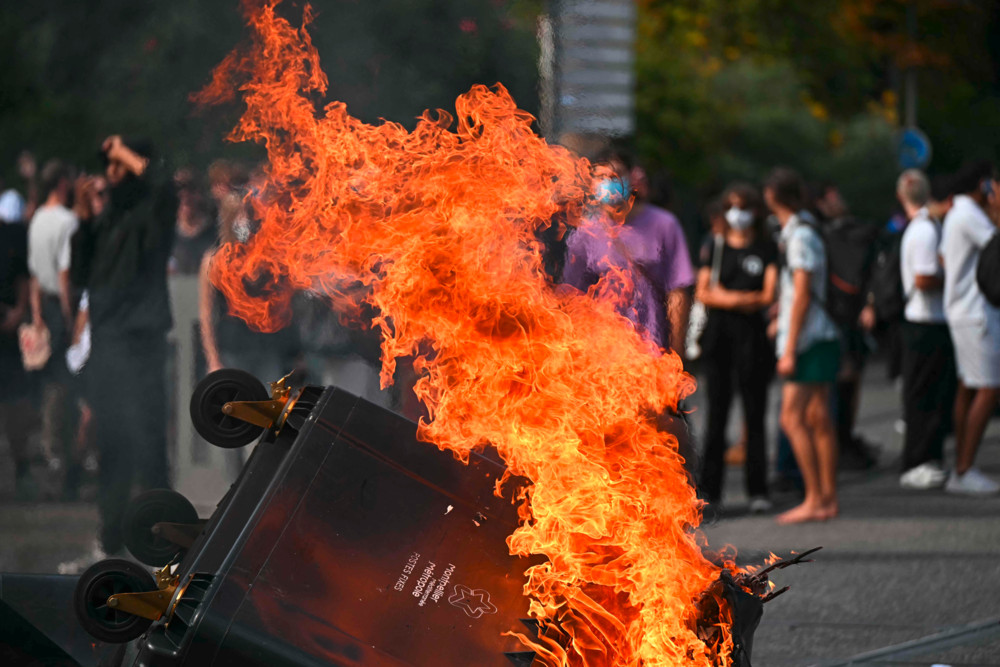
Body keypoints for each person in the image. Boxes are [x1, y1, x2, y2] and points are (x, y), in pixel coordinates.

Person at [60, 136, 176, 571]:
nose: (106, 174)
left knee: (149, 448)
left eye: (114, 167)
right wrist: (85, 215)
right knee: (112, 447)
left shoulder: (153, 213)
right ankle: (109, 545)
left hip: (142, 347)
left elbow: (163, 186)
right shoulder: (104, 222)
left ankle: (165, 550)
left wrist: (123, 152)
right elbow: (82, 274)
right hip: (108, 347)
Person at [562, 148, 694, 356]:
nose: (609, 182)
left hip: (652, 351)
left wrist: (677, 351)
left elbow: (678, 292)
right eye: (601, 177)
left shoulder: (664, 225)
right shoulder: (585, 235)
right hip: (601, 354)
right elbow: (573, 297)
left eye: (615, 176)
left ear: (631, 179)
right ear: (591, 184)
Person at [695, 185, 778, 514]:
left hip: (753, 338)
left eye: (743, 207)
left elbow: (769, 294)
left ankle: (758, 490)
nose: (737, 214)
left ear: (755, 211)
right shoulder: (713, 245)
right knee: (717, 414)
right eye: (731, 207)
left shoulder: (766, 248)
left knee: (755, 415)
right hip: (719, 337)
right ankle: (711, 491)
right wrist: (739, 299)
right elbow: (703, 291)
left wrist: (727, 297)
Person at [764, 168, 840, 523]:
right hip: (822, 334)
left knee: (792, 418)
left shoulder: (799, 237)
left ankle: (814, 498)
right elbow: (801, 291)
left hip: (809, 338)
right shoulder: (805, 229)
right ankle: (826, 498)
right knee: (818, 417)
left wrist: (789, 347)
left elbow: (804, 294)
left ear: (771, 196)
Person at [940, 160, 1000, 495]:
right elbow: (996, 246)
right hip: (976, 312)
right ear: (983, 185)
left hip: (964, 310)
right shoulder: (970, 214)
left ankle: (960, 467)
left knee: (968, 387)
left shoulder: (955, 213)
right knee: (989, 389)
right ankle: (964, 468)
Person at [896, 169, 955, 489]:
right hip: (924, 322)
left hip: (924, 321)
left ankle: (925, 459)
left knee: (927, 395)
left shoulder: (920, 227)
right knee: (923, 397)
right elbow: (923, 278)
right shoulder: (926, 230)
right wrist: (955, 274)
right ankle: (916, 462)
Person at [27, 159, 80, 496]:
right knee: (66, 386)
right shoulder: (68, 220)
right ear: (62, 182)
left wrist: (36, 313)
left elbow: (35, 273)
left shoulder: (37, 220)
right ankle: (64, 461)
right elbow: (64, 273)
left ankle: (53, 456)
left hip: (42, 304)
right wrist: (70, 318)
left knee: (49, 386)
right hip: (61, 305)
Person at [0, 203, 35, 499]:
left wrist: (20, 311)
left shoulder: (11, 235)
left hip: (8, 333)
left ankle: (21, 468)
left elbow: (23, 277)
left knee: (16, 404)